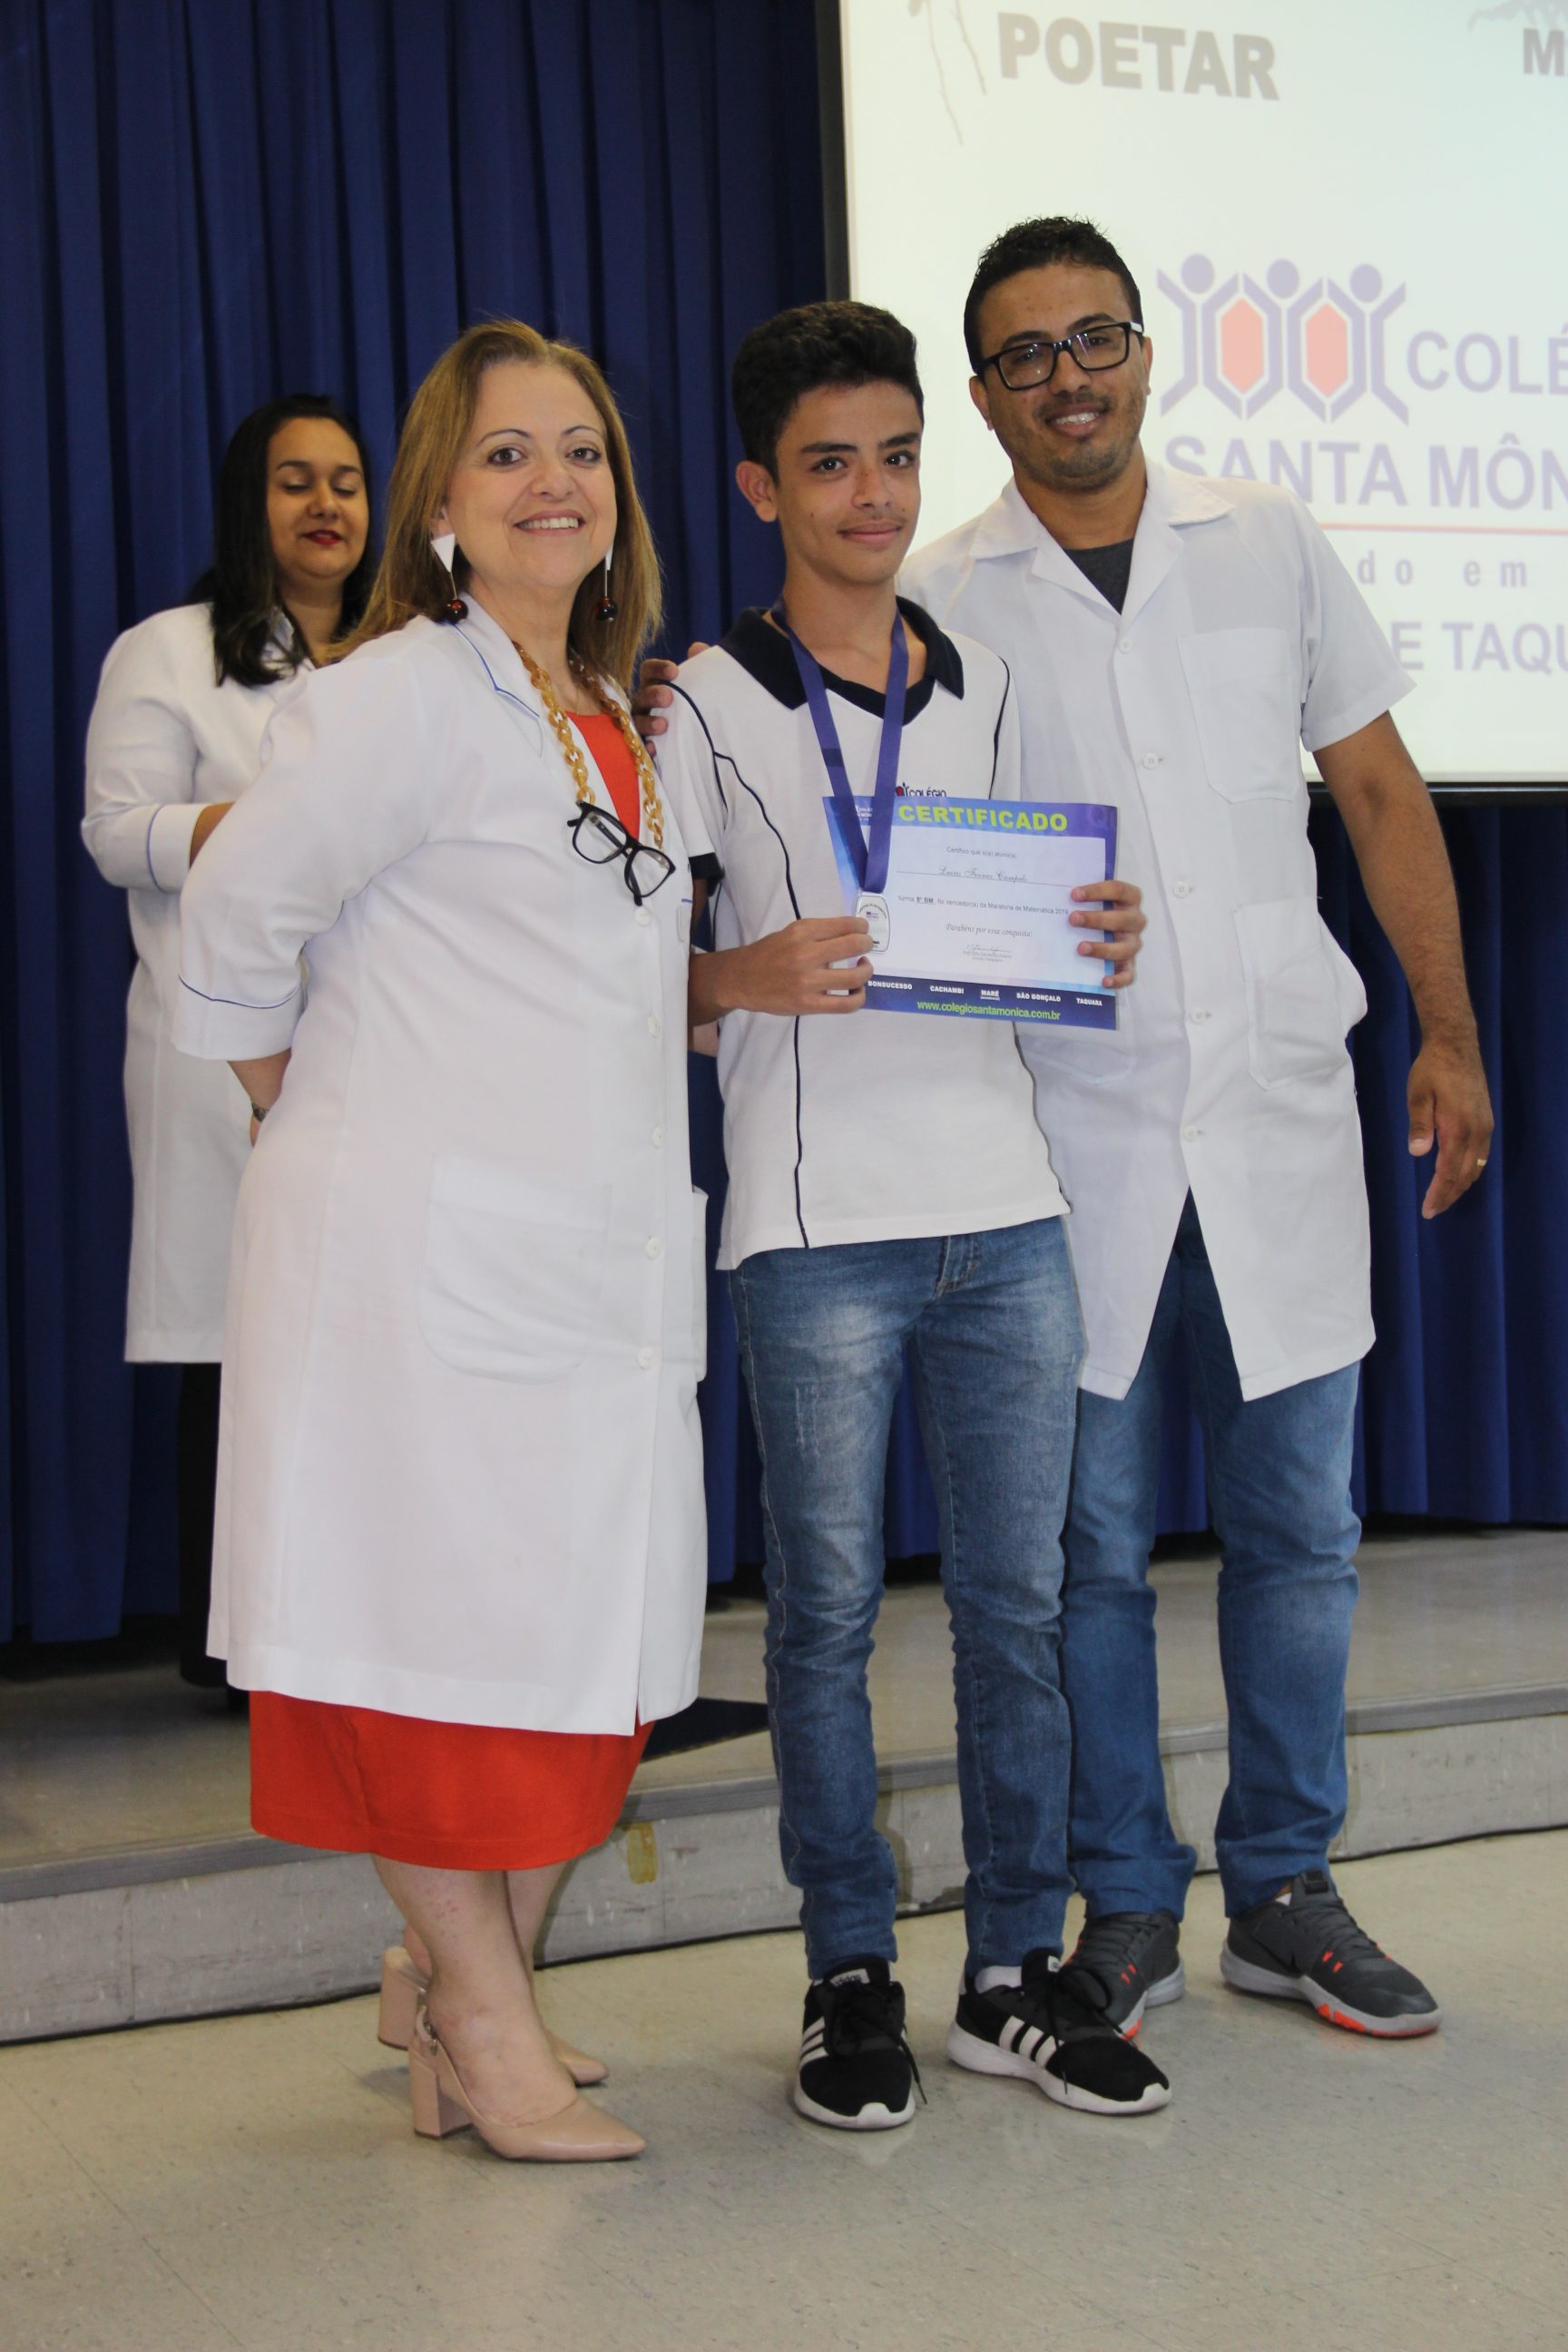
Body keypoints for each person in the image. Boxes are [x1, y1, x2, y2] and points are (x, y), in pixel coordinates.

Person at [904, 217, 1493, 2042]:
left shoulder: (1270, 538)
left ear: (1147, 351)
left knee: (1302, 1527)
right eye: (1026, 354)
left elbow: (1375, 790)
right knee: (1087, 1554)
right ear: (983, 393)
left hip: (1277, 1121)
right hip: (1068, 1143)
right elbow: (920, 876)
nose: (1068, 377)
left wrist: (1450, 1031)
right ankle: (1132, 1900)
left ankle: (1287, 1885)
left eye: (1096, 337)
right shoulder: (941, 593)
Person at [173, 321, 710, 2162]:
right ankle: (484, 2029)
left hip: (584, 1264)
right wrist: (308, 1113)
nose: (555, 481)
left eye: (583, 449)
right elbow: (233, 921)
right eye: (507, 454)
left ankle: (445, 1986)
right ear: (441, 506)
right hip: (414, 1270)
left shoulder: (608, 710)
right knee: (418, 1654)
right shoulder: (401, 692)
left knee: (571, 1656)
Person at [650, 301, 1167, 2132]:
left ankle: (1013, 1973)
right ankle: (847, 1973)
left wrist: (1091, 935)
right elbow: (614, 976)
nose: (872, 496)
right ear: (759, 489)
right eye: (829, 465)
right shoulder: (700, 703)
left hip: (1006, 1211)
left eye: (894, 457)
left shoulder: (989, 682)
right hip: (814, 1230)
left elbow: (1017, 927)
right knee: (824, 1621)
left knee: (1018, 1610)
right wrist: (735, 978)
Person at [83, 396, 374, 1686]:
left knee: (365, 1336)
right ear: (248, 503)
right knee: (242, 1342)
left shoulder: (408, 653)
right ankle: (234, 1646)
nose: (326, 506)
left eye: (347, 483)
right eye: (295, 481)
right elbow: (115, 834)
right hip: (221, 1051)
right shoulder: (170, 651)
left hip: (377, 1044)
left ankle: (352, 1632)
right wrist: (259, 826)